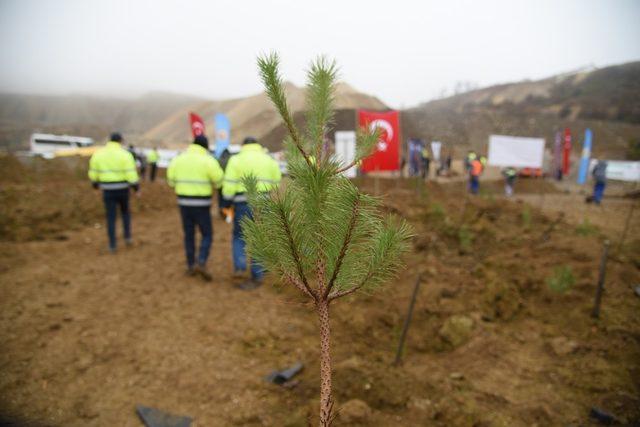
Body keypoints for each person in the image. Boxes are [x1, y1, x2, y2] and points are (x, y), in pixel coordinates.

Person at [222, 136, 281, 290]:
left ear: (243, 146)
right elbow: (277, 181)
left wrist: (226, 203)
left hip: (243, 202)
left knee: (239, 236)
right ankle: (258, 273)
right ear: (258, 145)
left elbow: (229, 184)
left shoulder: (236, 160)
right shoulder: (268, 159)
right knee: (260, 237)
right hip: (264, 202)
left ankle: (240, 266)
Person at [167, 135, 224, 281]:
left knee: (189, 234)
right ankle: (202, 261)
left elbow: (171, 180)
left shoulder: (179, 159)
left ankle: (191, 265)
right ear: (205, 146)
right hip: (202, 204)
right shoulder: (208, 160)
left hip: (184, 203)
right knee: (207, 234)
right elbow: (218, 181)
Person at [88, 132, 139, 253]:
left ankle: (112, 244)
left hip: (107, 190)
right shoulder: (125, 155)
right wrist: (136, 188)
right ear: (120, 141)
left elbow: (93, 171)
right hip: (123, 189)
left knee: (111, 217)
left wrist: (95, 184)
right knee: (125, 213)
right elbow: (131, 174)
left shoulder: (99, 154)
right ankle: (127, 237)